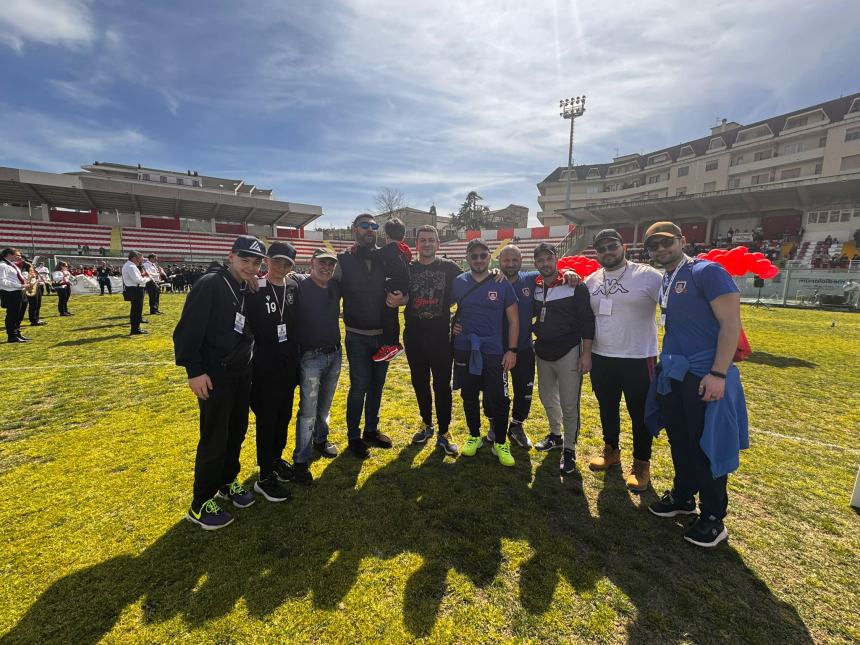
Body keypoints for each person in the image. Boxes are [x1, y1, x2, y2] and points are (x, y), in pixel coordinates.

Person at [643, 221, 748, 548]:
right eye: (653, 245)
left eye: (666, 242)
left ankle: (714, 517)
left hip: (705, 374)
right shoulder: (667, 279)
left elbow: (731, 325)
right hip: (675, 373)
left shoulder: (708, 271)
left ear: (682, 240)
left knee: (707, 445)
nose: (661, 249)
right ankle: (684, 496)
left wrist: (718, 373)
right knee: (681, 440)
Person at [173, 235, 267, 530]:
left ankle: (227, 481)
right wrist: (194, 370)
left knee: (236, 431)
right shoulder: (210, 284)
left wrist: (250, 285)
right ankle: (200, 502)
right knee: (214, 437)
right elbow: (186, 332)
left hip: (240, 373)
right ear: (230, 257)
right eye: (245, 260)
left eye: (256, 263)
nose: (251, 267)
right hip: (215, 376)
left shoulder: (241, 285)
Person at [584, 229, 662, 491]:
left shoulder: (648, 276)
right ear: (596, 253)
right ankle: (611, 450)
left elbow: (673, 306)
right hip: (602, 356)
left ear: (623, 246)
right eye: (602, 248)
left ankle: (641, 462)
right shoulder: (591, 280)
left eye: (612, 246)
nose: (608, 252)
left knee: (639, 413)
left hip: (638, 356)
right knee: (607, 407)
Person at [452, 238, 519, 467]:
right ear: (467, 258)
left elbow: (514, 319)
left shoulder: (501, 282)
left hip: (494, 350)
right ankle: (474, 435)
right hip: (465, 347)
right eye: (474, 256)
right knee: (469, 394)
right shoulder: (458, 282)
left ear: (489, 257)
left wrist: (511, 350)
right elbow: (444, 309)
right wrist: (452, 324)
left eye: (483, 255)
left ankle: (500, 441)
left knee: (498, 398)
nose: (479, 260)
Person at [531, 243, 595, 475]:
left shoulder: (574, 285)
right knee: (547, 397)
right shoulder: (535, 285)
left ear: (556, 259)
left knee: (569, 403)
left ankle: (569, 448)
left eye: (548, 259)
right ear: (535, 263)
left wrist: (586, 353)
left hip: (569, 350)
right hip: (543, 351)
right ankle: (556, 435)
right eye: (540, 260)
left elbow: (588, 321)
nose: (545, 264)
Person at [400, 225, 463, 456]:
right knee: (419, 382)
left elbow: (470, 289)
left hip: (440, 338)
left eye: (431, 240)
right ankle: (426, 424)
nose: (427, 244)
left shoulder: (449, 268)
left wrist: (459, 317)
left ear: (438, 243)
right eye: (422, 240)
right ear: (416, 244)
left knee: (442, 385)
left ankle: (444, 432)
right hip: (414, 337)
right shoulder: (407, 268)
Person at [247, 242, 302, 502]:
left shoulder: (293, 287)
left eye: (287, 263)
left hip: (287, 364)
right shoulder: (254, 288)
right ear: (267, 260)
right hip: (264, 365)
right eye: (277, 261)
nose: (282, 267)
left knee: (283, 416)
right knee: (267, 419)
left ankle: (276, 459)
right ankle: (264, 476)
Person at [336, 213, 395, 458]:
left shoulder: (385, 258)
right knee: (359, 386)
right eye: (365, 225)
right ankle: (354, 436)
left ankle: (371, 430)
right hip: (357, 336)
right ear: (354, 230)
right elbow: (327, 290)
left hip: (383, 337)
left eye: (374, 226)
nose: (370, 229)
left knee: (377, 385)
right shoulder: (343, 260)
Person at [293, 248, 343, 478]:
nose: (326, 268)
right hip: (311, 356)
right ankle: (301, 458)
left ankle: (320, 440)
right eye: (322, 263)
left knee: (325, 404)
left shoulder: (335, 286)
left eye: (330, 264)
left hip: (334, 353)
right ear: (311, 263)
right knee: (308, 410)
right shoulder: (299, 285)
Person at [493, 245, 538, 449]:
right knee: (495, 391)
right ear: (499, 261)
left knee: (524, 390)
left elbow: (554, 270)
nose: (510, 264)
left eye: (514, 260)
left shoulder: (529, 279)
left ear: (521, 260)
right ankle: (495, 423)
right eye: (506, 260)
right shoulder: (491, 280)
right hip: (496, 349)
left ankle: (517, 425)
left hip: (524, 348)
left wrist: (569, 273)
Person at [371, 217, 411, 362]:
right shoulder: (403, 249)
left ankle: (391, 344)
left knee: (389, 316)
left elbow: (373, 254)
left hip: (395, 285)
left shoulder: (390, 248)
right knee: (392, 315)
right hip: (403, 285)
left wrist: (357, 251)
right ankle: (394, 344)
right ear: (404, 236)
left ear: (386, 237)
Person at [0, 247, 28, 343]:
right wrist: (20, 285)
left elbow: (14, 278)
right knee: (12, 314)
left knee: (19, 313)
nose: (19, 257)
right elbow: (2, 281)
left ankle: (17, 332)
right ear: (9, 255)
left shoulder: (12, 265)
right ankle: (12, 336)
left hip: (19, 291)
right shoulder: (2, 265)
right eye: (17, 255)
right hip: (11, 293)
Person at [122, 252, 150, 336]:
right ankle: (135, 329)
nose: (140, 262)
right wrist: (147, 279)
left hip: (134, 289)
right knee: (136, 310)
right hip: (136, 289)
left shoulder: (129, 265)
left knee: (136, 310)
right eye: (139, 259)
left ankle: (135, 328)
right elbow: (138, 280)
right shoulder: (131, 267)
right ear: (134, 258)